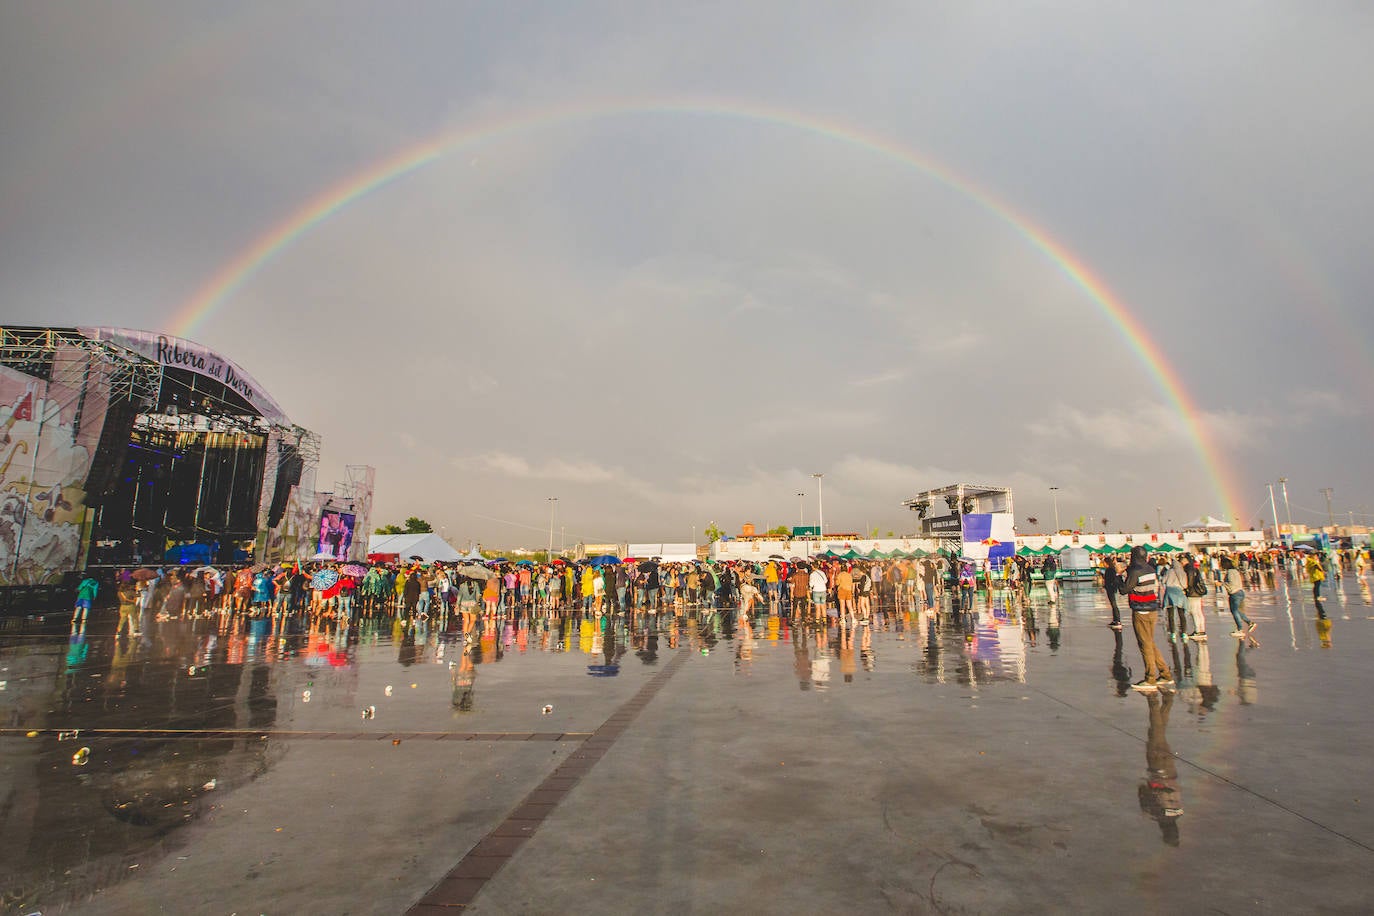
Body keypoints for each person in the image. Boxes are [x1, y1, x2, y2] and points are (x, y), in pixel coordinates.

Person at [1123, 545, 1173, 691]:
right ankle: (1165, 674)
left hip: (1140, 610)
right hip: (1152, 609)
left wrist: (1120, 578)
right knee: (1150, 642)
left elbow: (1124, 589)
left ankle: (1150, 678)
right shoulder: (1151, 569)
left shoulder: (1134, 571)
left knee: (1145, 645)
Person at [1220, 555, 1256, 638]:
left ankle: (1240, 629)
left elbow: (1231, 584)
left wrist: (1222, 584)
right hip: (1240, 592)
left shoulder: (1230, 572)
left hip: (1235, 593)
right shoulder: (1235, 571)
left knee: (1235, 611)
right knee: (1237, 611)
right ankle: (1249, 623)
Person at [1182, 554, 1208, 640]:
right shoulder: (1195, 568)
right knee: (1199, 612)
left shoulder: (1188, 569)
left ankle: (1197, 631)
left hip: (1192, 593)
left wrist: (1186, 589)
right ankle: (1202, 630)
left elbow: (1189, 582)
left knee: (1194, 612)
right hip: (1198, 592)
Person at [1103, 557, 1124, 630]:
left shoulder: (1110, 570)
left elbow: (1110, 579)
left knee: (1114, 604)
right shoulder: (1112, 570)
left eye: (1104, 563)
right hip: (1111, 588)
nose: (1103, 564)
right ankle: (1115, 620)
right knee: (1113, 605)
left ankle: (1117, 620)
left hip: (1111, 589)